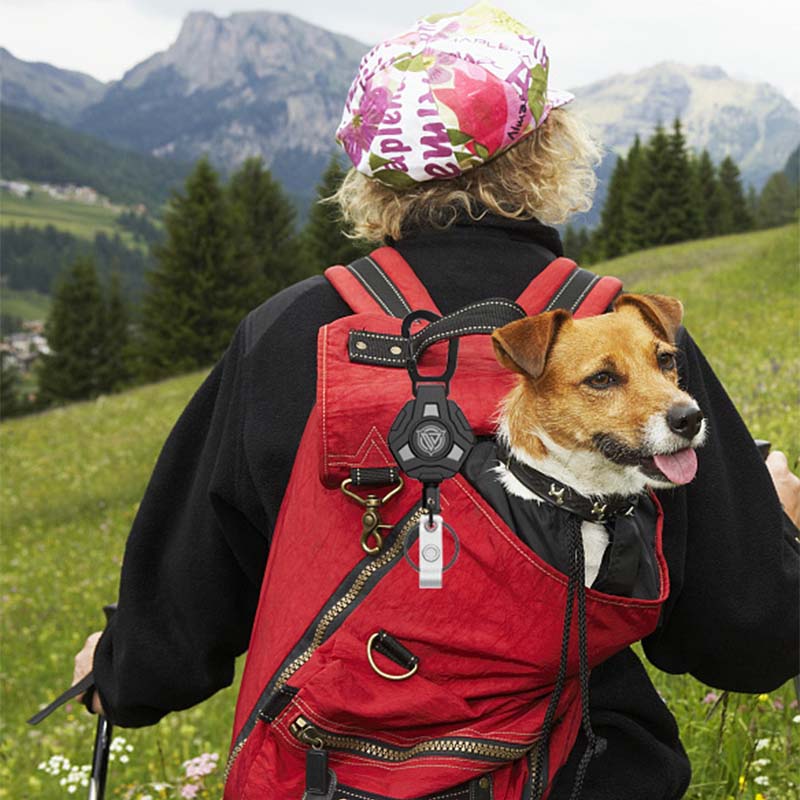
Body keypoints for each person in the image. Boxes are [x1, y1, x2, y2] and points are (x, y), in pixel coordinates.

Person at [73, 4, 800, 798]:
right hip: (578, 773)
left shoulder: (284, 336)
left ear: (372, 174)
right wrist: (779, 519)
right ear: (549, 149)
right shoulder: (627, 335)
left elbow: (184, 597)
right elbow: (750, 641)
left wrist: (118, 673)